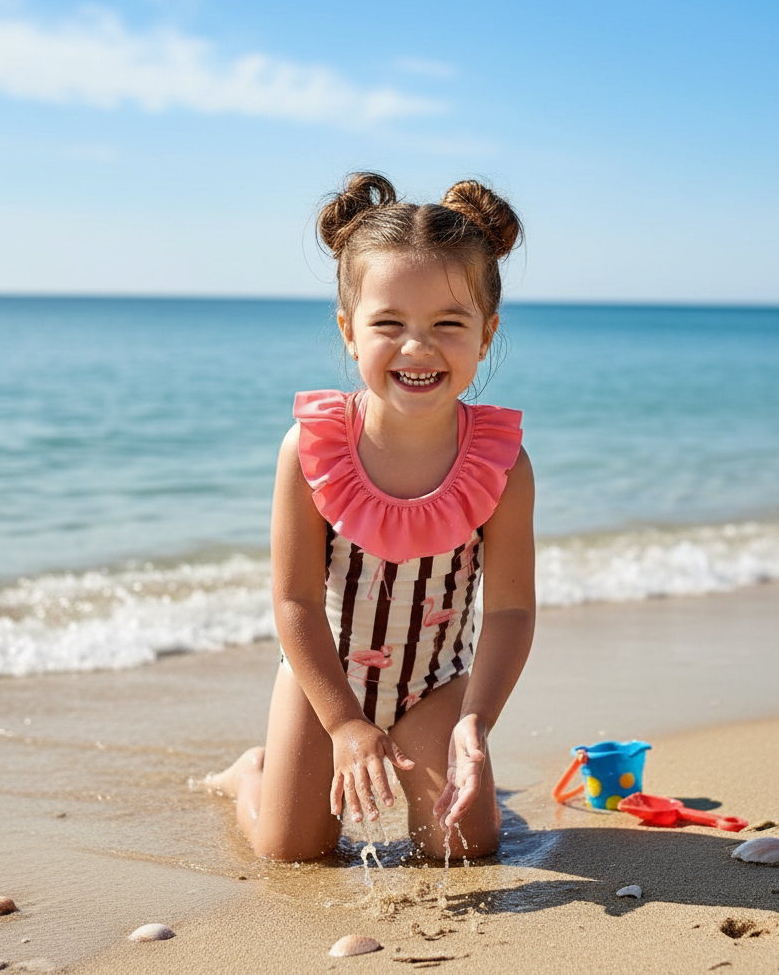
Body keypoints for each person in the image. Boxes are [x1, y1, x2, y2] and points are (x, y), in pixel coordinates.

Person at [206, 173, 535, 863]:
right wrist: (344, 723)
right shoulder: (313, 450)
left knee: (466, 849)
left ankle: (448, 751)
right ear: (349, 332)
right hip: (326, 680)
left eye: (449, 324)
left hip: (435, 684)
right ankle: (250, 774)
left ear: (487, 333)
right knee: (290, 851)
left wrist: (475, 720)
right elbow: (295, 601)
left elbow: (509, 612)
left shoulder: (501, 464)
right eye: (389, 325)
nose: (418, 348)